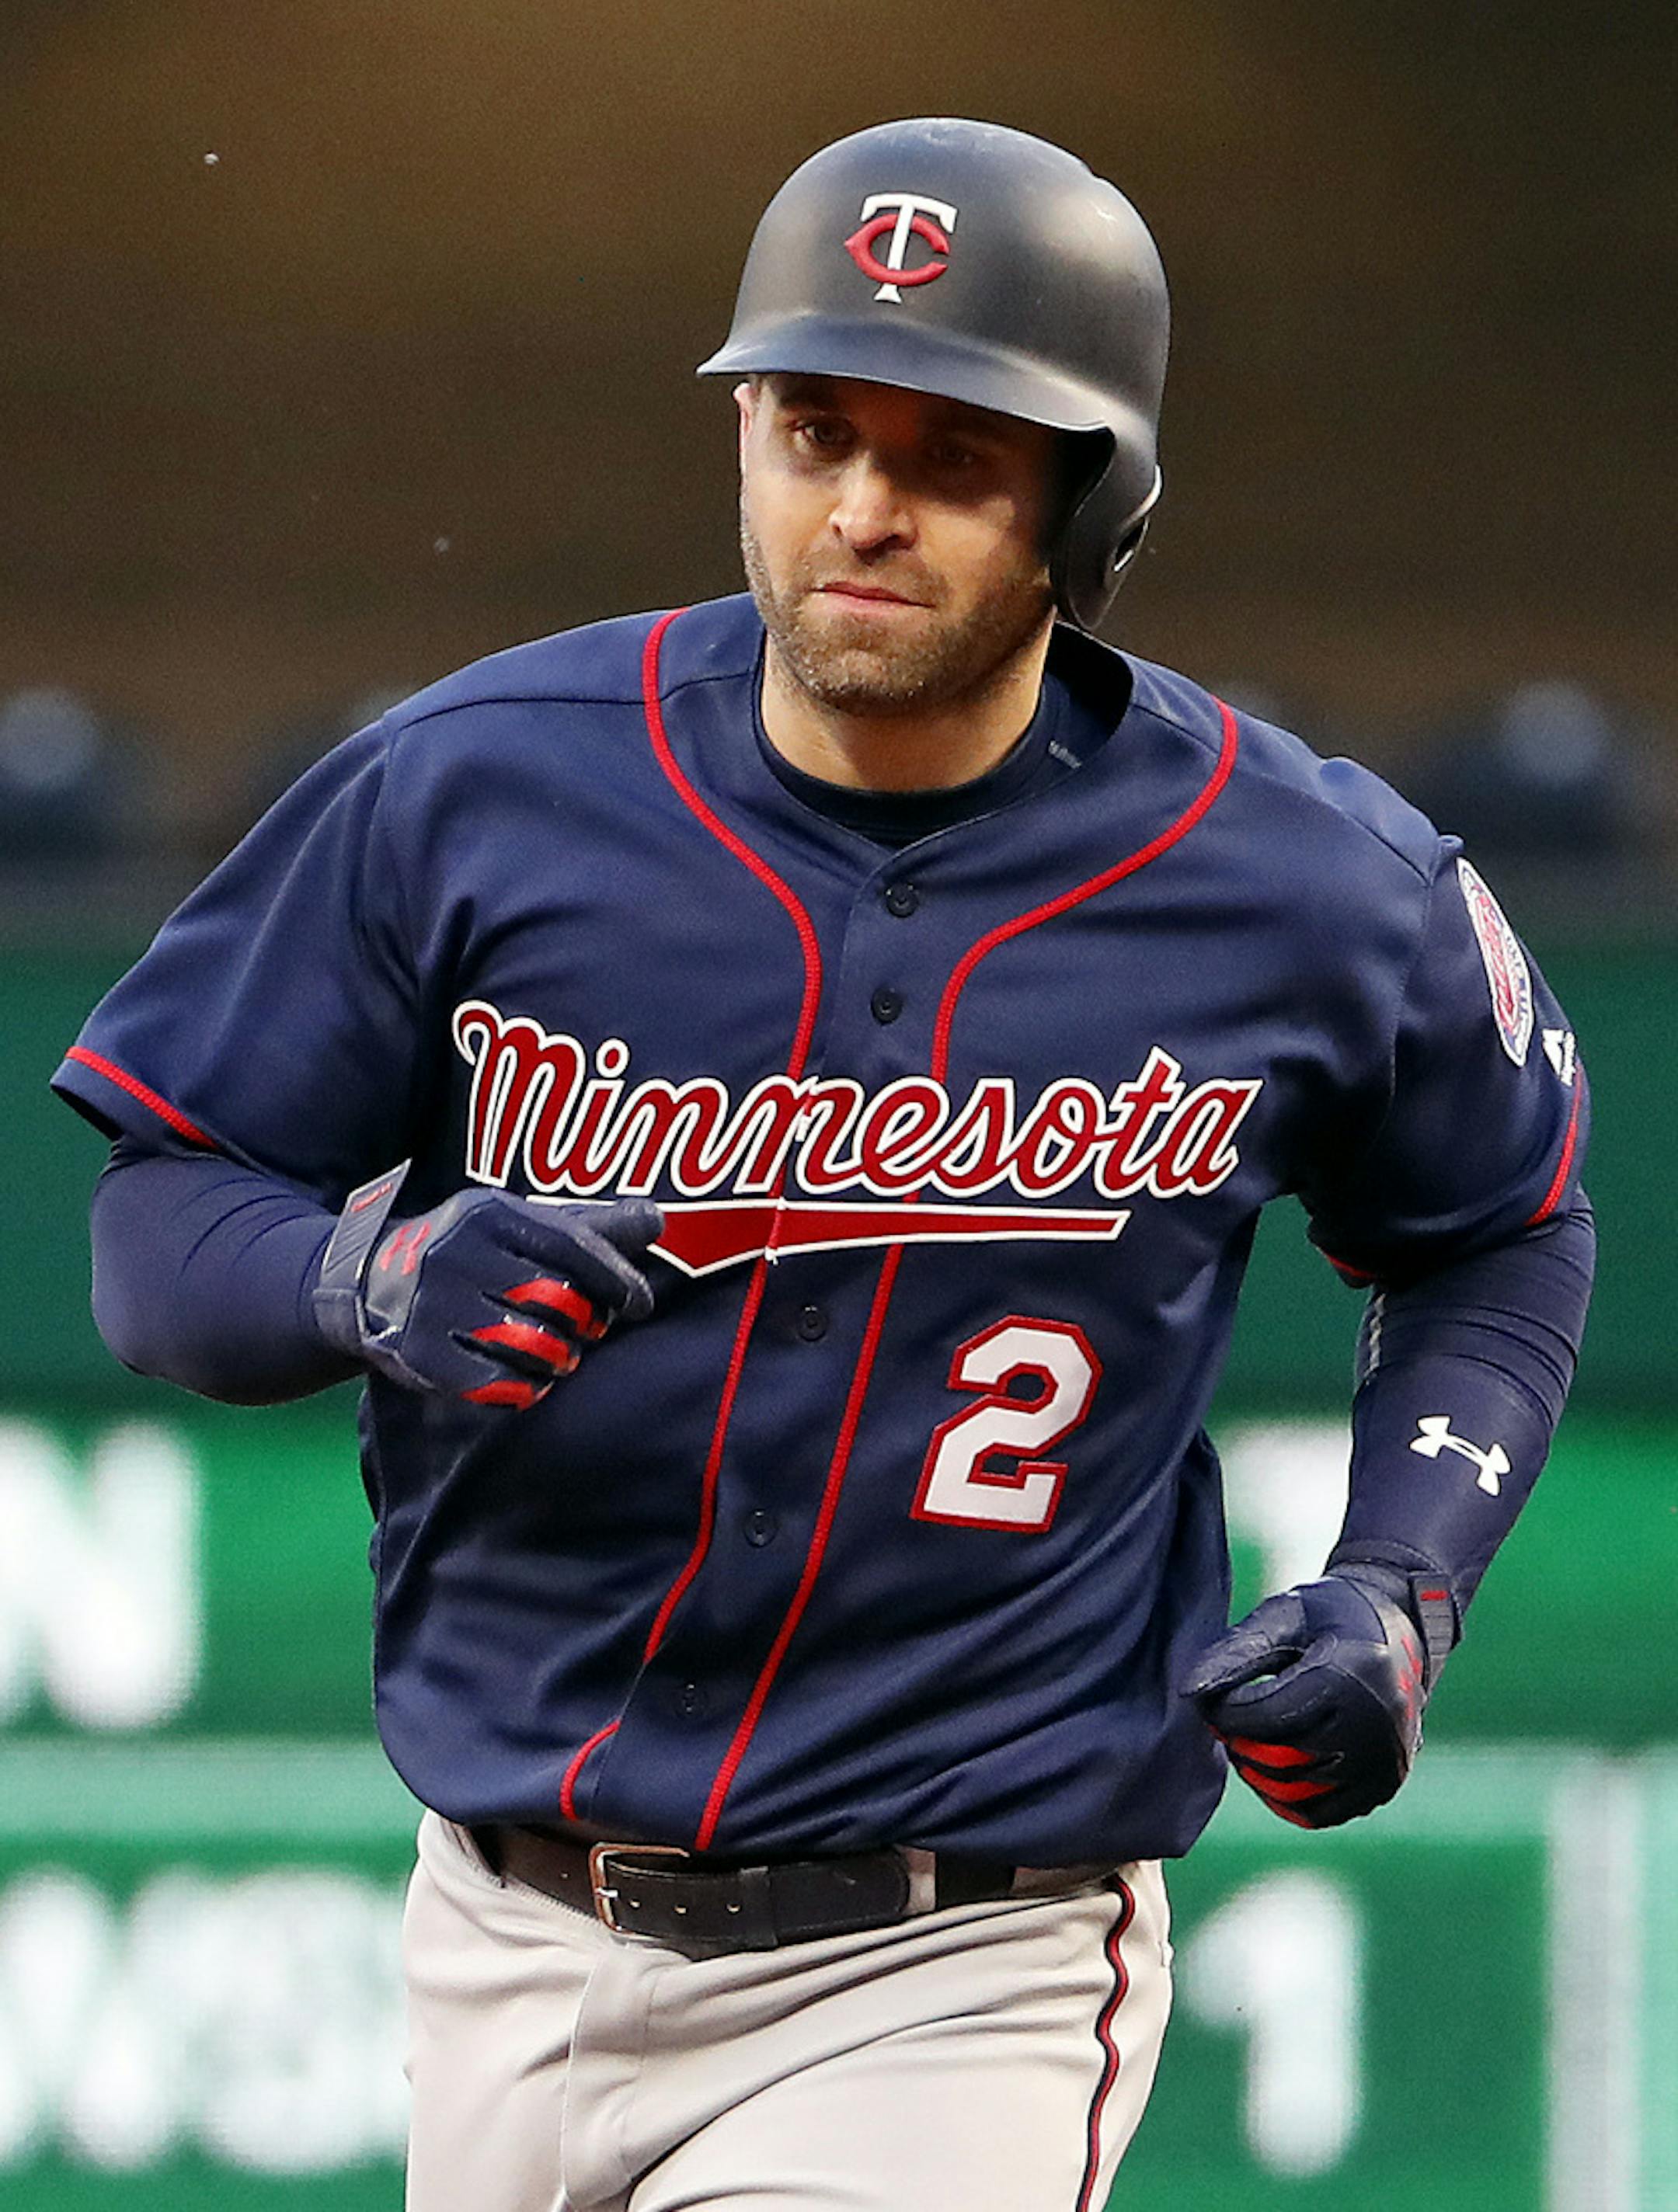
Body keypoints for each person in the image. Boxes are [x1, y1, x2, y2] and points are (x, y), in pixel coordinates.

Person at [53, 117, 1593, 2212]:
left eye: (951, 454)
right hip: (499, 1940)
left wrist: (1404, 1587)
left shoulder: (1314, 887)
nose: (862, 507)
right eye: (809, 427)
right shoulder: (476, 788)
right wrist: (359, 1285)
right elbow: (158, 1219)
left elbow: (1503, 1228)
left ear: (1089, 497)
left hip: (954, 1958)